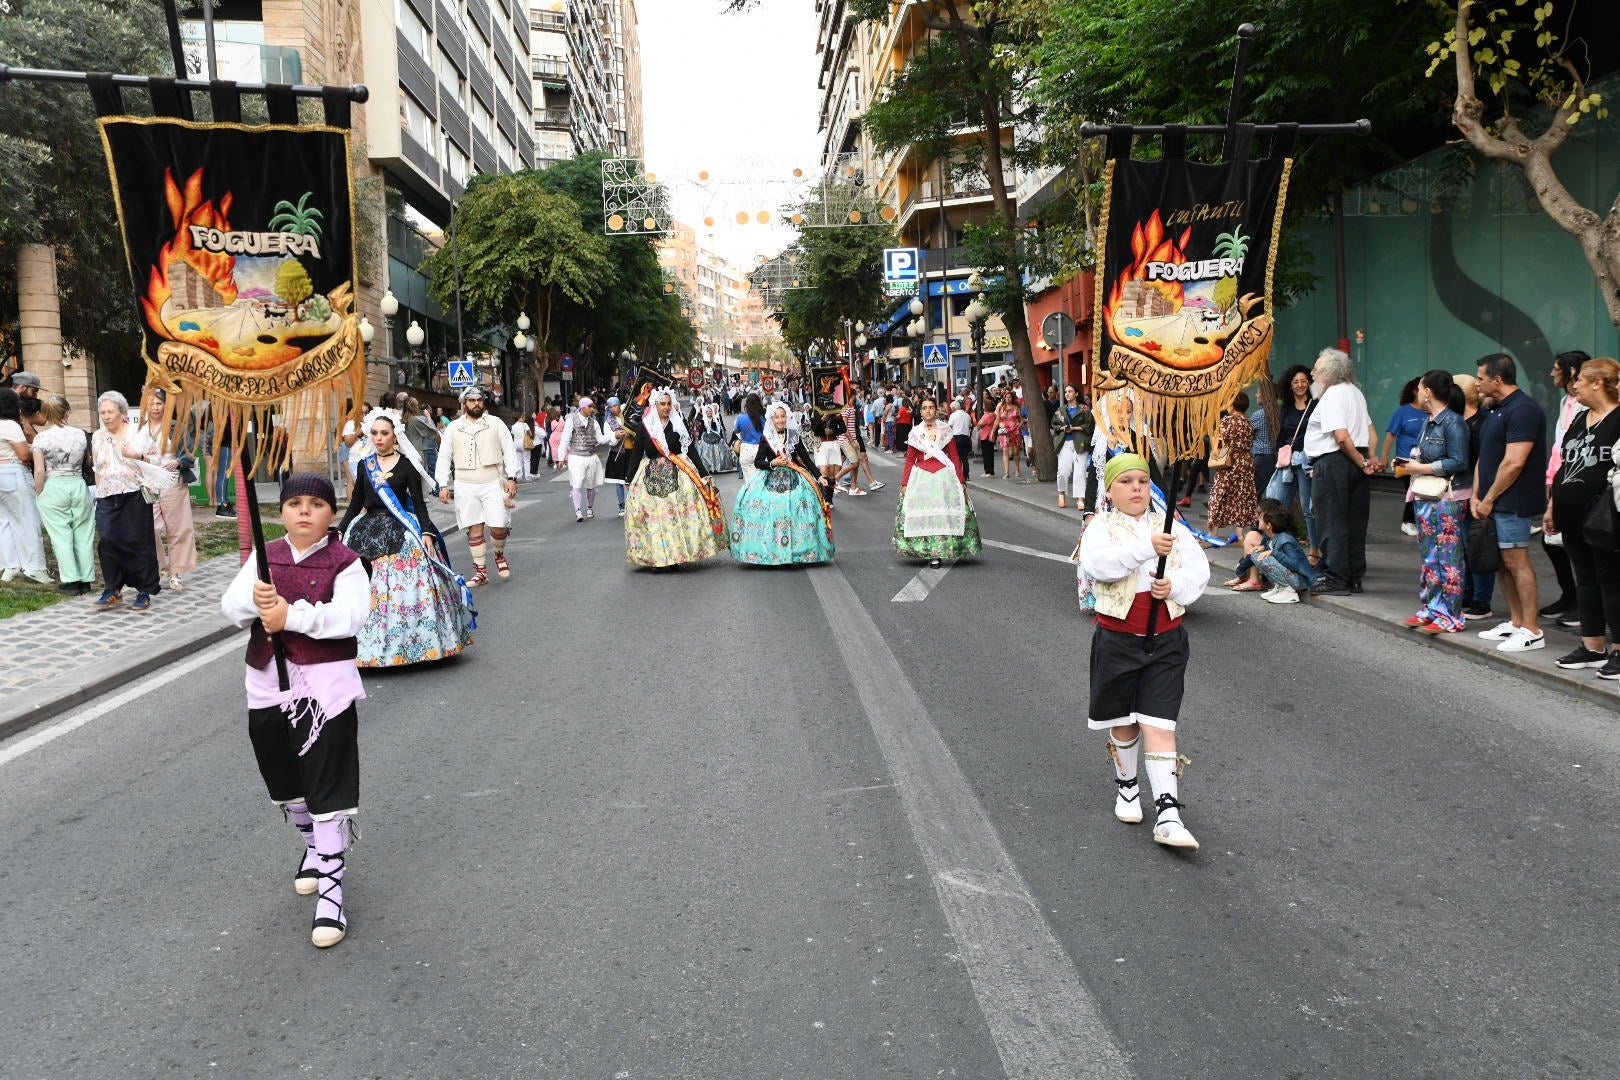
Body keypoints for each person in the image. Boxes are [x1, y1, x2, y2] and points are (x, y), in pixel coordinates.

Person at [220, 472, 368, 948]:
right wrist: (255, 600)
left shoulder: (346, 563)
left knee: (327, 791)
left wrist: (293, 615)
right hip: (266, 687)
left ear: (331, 514)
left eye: (317, 504)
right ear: (281, 511)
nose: (305, 511)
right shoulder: (265, 557)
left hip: (325, 694)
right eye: (295, 503)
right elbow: (231, 607)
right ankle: (312, 850)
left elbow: (350, 618)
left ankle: (332, 895)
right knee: (285, 784)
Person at [1080, 453, 1210, 851]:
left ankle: (1168, 813)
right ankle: (1127, 788)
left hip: (1166, 641)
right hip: (1117, 639)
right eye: (1126, 481)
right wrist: (1144, 547)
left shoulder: (1172, 528)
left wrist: (1173, 585)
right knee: (1124, 722)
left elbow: (1199, 570)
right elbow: (1099, 566)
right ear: (1111, 489)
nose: (1136, 488)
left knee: (1159, 722)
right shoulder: (1100, 527)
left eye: (1141, 481)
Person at [339, 410, 472, 666]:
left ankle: (417, 644)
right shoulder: (365, 466)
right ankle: (364, 649)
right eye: (374, 433)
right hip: (365, 529)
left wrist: (426, 532)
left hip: (400, 528)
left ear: (395, 436)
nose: (378, 438)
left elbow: (419, 504)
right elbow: (356, 504)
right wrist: (340, 529)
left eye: (384, 434)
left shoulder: (407, 465)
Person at [1545, 357, 1620, 677]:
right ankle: (1592, 648)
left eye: (1580, 381)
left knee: (1612, 582)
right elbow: (1564, 463)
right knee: (1585, 581)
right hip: (1570, 513)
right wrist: (1552, 506)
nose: (1573, 386)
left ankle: (1618, 650)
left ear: (1597, 383)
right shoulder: (1579, 418)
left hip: (1604, 517)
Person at [1471, 353, 1549, 653]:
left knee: (1517, 562)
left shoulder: (1524, 410)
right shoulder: (1496, 409)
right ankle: (1516, 623)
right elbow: (1485, 458)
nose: (1478, 383)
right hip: (1492, 501)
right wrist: (1478, 495)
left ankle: (1532, 629)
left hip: (1511, 501)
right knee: (1500, 562)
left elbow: (1514, 463)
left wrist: (1489, 498)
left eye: (1481, 377)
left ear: (1497, 379)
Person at [622, 387, 728, 569]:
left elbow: (691, 450)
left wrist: (703, 472)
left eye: (668, 404)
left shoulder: (678, 424)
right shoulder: (645, 426)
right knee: (654, 518)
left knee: (675, 517)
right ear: (655, 405)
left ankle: (676, 556)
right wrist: (630, 479)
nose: (666, 407)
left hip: (679, 473)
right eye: (662, 404)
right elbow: (636, 453)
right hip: (650, 476)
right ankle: (657, 558)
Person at [1399, 370, 1471, 634]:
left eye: (1419, 387)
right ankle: (1431, 608)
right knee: (1430, 556)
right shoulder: (1429, 421)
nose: (1417, 392)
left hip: (1447, 497)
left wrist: (1423, 467)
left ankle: (1451, 615)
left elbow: (1460, 461)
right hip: (1426, 494)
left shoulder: (1453, 422)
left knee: (1448, 557)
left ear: (1427, 391)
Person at [1303, 348, 1379, 597]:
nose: (1312, 373)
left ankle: (1336, 578)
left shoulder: (1333, 395)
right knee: (1355, 521)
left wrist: (1361, 461)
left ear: (1329, 373)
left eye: (1317, 369)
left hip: (1335, 462)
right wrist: (1370, 458)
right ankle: (1354, 576)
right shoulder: (1355, 392)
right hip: (1353, 461)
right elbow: (1371, 430)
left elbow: (1341, 436)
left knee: (1332, 522)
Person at [90, 391, 171, 611]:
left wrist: (137, 456)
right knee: (107, 540)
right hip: (107, 496)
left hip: (135, 493)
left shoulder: (138, 433)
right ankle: (112, 589)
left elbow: (157, 459)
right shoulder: (97, 436)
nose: (106, 416)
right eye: (103, 412)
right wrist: (99, 492)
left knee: (139, 542)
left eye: (110, 411)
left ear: (123, 413)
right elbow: (97, 467)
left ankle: (144, 590)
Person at [434, 385, 521, 587]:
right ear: (465, 403)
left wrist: (512, 477)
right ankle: (481, 572)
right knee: (474, 526)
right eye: (472, 401)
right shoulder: (454, 427)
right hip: (465, 483)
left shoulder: (496, 423)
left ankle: (499, 555)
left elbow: (509, 450)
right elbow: (444, 456)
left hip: (493, 481)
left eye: (479, 400)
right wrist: (443, 484)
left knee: (499, 525)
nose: (476, 404)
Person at [729, 401, 835, 566]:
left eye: (783, 416)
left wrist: (818, 476)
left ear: (787, 418)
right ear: (772, 419)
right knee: (767, 511)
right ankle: (773, 552)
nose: (780, 420)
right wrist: (774, 463)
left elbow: (805, 458)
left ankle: (798, 552)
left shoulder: (793, 435)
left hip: (794, 476)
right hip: (771, 477)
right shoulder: (767, 437)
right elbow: (758, 462)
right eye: (777, 417)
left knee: (799, 508)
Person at [894, 397, 981, 568]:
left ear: (936, 410)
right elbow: (910, 460)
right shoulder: (915, 432)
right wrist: (905, 483)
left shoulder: (946, 429)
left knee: (944, 516)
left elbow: (955, 457)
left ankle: (943, 550)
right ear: (921, 412)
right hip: (921, 479)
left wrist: (961, 480)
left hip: (944, 478)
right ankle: (926, 550)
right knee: (925, 517)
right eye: (925, 408)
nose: (928, 410)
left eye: (931, 407)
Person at [1539, 350, 1590, 621]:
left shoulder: (1587, 405)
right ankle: (1570, 596)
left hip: (1577, 480)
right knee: (1552, 541)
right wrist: (1551, 479)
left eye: (1556, 368)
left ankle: (1584, 603)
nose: (1551, 373)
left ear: (1571, 372)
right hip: (1560, 477)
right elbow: (1559, 444)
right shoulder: (1565, 401)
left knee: (1577, 543)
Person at [29, 394, 95, 594]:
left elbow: (40, 471)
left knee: (61, 535)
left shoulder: (41, 438)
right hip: (77, 483)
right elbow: (88, 462)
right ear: (68, 412)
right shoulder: (81, 435)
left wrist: (38, 492)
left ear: (46, 414)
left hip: (54, 485)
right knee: (84, 534)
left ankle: (71, 580)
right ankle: (86, 579)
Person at [137, 389, 198, 593]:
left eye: (158, 404)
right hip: (149, 483)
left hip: (174, 482)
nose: (155, 408)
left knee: (178, 529)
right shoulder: (139, 431)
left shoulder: (176, 427)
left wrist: (178, 461)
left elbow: (190, 454)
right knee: (150, 528)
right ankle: (161, 566)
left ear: (165, 405)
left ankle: (176, 573)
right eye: (151, 404)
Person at [1451, 373, 1495, 622]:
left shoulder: (1481, 423)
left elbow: (1480, 462)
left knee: (1476, 546)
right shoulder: (1464, 421)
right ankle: (1468, 595)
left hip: (1476, 492)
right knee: (1466, 547)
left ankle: (1480, 600)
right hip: (1463, 492)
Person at [0, 388, 52, 585]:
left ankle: (10, 565)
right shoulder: (10, 425)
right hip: (13, 472)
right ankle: (34, 567)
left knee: (3, 522)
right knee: (27, 521)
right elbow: (23, 454)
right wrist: (36, 451)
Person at [1266, 365, 1318, 559]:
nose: (1300, 385)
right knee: (1277, 505)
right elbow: (1282, 434)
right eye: (1296, 382)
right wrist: (1280, 452)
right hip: (1288, 463)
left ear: (1310, 383)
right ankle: (1278, 548)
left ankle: (1314, 550)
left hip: (1307, 462)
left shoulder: (1316, 404)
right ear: (1290, 385)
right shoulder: (1286, 407)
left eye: (1303, 381)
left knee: (1308, 509)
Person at [1238, 504, 1315, 604]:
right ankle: (1281, 587)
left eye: (1260, 518)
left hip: (1300, 580)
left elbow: (1295, 564)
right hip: (1292, 578)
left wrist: (1274, 553)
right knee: (1256, 555)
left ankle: (1289, 592)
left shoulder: (1285, 540)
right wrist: (1264, 548)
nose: (1258, 520)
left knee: (1264, 558)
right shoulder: (1272, 537)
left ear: (1268, 525)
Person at [1206, 392, 1259, 533]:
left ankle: (1213, 532)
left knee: (1219, 495)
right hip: (1246, 462)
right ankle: (1239, 534)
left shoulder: (1228, 421)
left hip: (1229, 462)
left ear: (1234, 404)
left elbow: (1218, 442)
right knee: (1242, 497)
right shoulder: (1248, 422)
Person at [1381, 378, 1428, 536]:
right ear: (1415, 391)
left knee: (1422, 491)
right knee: (1412, 489)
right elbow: (1390, 436)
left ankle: (1418, 521)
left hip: (1425, 460)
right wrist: (1384, 457)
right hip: (1405, 460)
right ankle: (1407, 522)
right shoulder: (1402, 411)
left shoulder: (1429, 409)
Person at [557, 395, 614, 522]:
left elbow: (600, 439)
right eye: (590, 406)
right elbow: (565, 440)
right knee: (577, 484)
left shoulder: (594, 423)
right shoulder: (571, 421)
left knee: (591, 484)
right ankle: (578, 511)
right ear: (582, 407)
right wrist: (560, 458)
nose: (592, 409)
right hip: (576, 457)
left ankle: (589, 508)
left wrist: (613, 435)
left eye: (592, 406)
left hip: (591, 456)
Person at [1051, 383, 1094, 509]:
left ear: (1076, 393)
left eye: (1070, 391)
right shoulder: (1061, 410)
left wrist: (1074, 428)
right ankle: (1061, 494)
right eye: (1065, 392)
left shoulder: (1084, 409)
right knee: (1063, 471)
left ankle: (1080, 499)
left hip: (1080, 443)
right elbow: (1054, 424)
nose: (1067, 394)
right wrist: (1062, 427)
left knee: (1080, 471)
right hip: (1065, 443)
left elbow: (1090, 426)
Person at [1248, 376, 1280, 502]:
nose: (1256, 395)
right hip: (1276, 457)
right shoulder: (1279, 412)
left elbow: (1248, 436)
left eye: (1258, 392)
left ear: (1265, 395)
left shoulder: (1259, 415)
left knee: (1255, 493)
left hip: (1262, 458)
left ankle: (1256, 521)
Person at [602, 397, 633, 517]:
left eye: (615, 405)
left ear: (620, 405)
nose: (614, 408)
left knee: (630, 480)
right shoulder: (608, 422)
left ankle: (632, 504)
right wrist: (616, 436)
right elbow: (610, 441)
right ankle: (621, 505)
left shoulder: (628, 417)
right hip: (617, 453)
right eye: (611, 407)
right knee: (619, 481)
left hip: (630, 451)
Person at [693, 401, 737, 475]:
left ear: (712, 411)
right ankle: (708, 468)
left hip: (715, 437)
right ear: (705, 412)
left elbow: (718, 429)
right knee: (705, 453)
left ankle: (716, 467)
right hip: (705, 436)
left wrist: (722, 437)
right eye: (707, 411)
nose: (709, 412)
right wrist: (700, 439)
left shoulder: (715, 419)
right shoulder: (703, 420)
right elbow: (701, 430)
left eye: (710, 411)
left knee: (716, 452)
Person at [731, 393, 765, 482]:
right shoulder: (762, 418)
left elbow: (736, 430)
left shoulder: (741, 418)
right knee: (761, 480)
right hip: (760, 450)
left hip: (746, 450)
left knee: (749, 482)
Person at [996, 392, 1024, 479]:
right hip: (1004, 431)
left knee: (1016, 451)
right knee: (1005, 450)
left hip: (1015, 430)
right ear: (1004, 398)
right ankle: (1007, 472)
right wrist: (996, 428)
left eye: (1009, 397)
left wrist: (1020, 425)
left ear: (1012, 398)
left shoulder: (1016, 407)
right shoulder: (1001, 407)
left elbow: (1021, 420)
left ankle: (1017, 468)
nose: (1008, 399)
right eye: (1006, 397)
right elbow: (998, 419)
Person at [509, 413, 533, 482]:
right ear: (519, 418)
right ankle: (528, 477)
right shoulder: (524, 425)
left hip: (516, 444)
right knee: (526, 460)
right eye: (522, 417)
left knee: (518, 461)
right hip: (524, 444)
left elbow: (513, 434)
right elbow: (530, 434)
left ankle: (519, 477)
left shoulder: (513, 426)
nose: (523, 418)